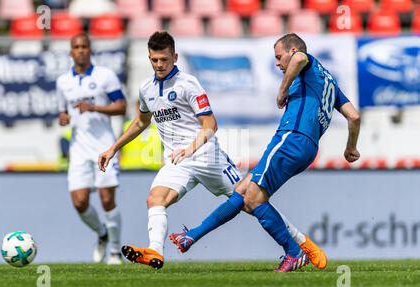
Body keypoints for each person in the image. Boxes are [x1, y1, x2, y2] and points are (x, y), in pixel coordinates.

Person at [98, 31, 318, 271]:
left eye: (164, 59)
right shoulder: (146, 89)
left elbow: (210, 124)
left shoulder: (188, 84)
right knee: (155, 199)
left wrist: (190, 148)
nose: (159, 65)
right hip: (176, 161)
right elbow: (141, 122)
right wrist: (112, 148)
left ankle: (301, 243)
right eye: (154, 60)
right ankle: (155, 252)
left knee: (251, 200)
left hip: (206, 156)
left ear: (175, 57)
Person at [170, 33, 361, 272]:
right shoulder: (329, 82)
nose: (278, 63)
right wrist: (351, 147)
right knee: (241, 190)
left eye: (279, 57)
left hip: (292, 137)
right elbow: (354, 116)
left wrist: (282, 91)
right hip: (307, 146)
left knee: (253, 199)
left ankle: (293, 252)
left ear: (291, 52)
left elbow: (300, 58)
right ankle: (192, 237)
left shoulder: (305, 61)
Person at [56, 33, 127, 264]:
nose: (80, 50)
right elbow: (63, 112)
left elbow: (121, 106)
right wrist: (64, 118)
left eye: (84, 46)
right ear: (71, 52)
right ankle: (103, 234)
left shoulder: (105, 76)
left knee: (107, 200)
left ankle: (116, 252)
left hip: (103, 146)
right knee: (79, 202)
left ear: (90, 50)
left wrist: (94, 107)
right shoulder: (63, 82)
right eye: (76, 47)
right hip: (78, 148)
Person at [119, 100, 163, 171]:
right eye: (140, 108)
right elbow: (119, 151)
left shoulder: (158, 129)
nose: (142, 111)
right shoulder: (127, 127)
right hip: (128, 171)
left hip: (153, 171)